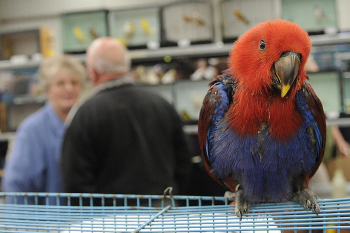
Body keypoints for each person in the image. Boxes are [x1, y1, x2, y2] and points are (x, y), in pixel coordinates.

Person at [60, 38, 192, 205]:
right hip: (163, 213)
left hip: (110, 220)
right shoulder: (161, 104)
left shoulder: (84, 114)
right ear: (126, 66)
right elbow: (184, 162)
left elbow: (75, 181)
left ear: (92, 72)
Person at [2, 55, 85, 204]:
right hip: (49, 224)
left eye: (74, 82)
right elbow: (18, 186)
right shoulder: (32, 130)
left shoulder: (87, 123)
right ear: (47, 90)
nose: (69, 88)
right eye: (60, 83)